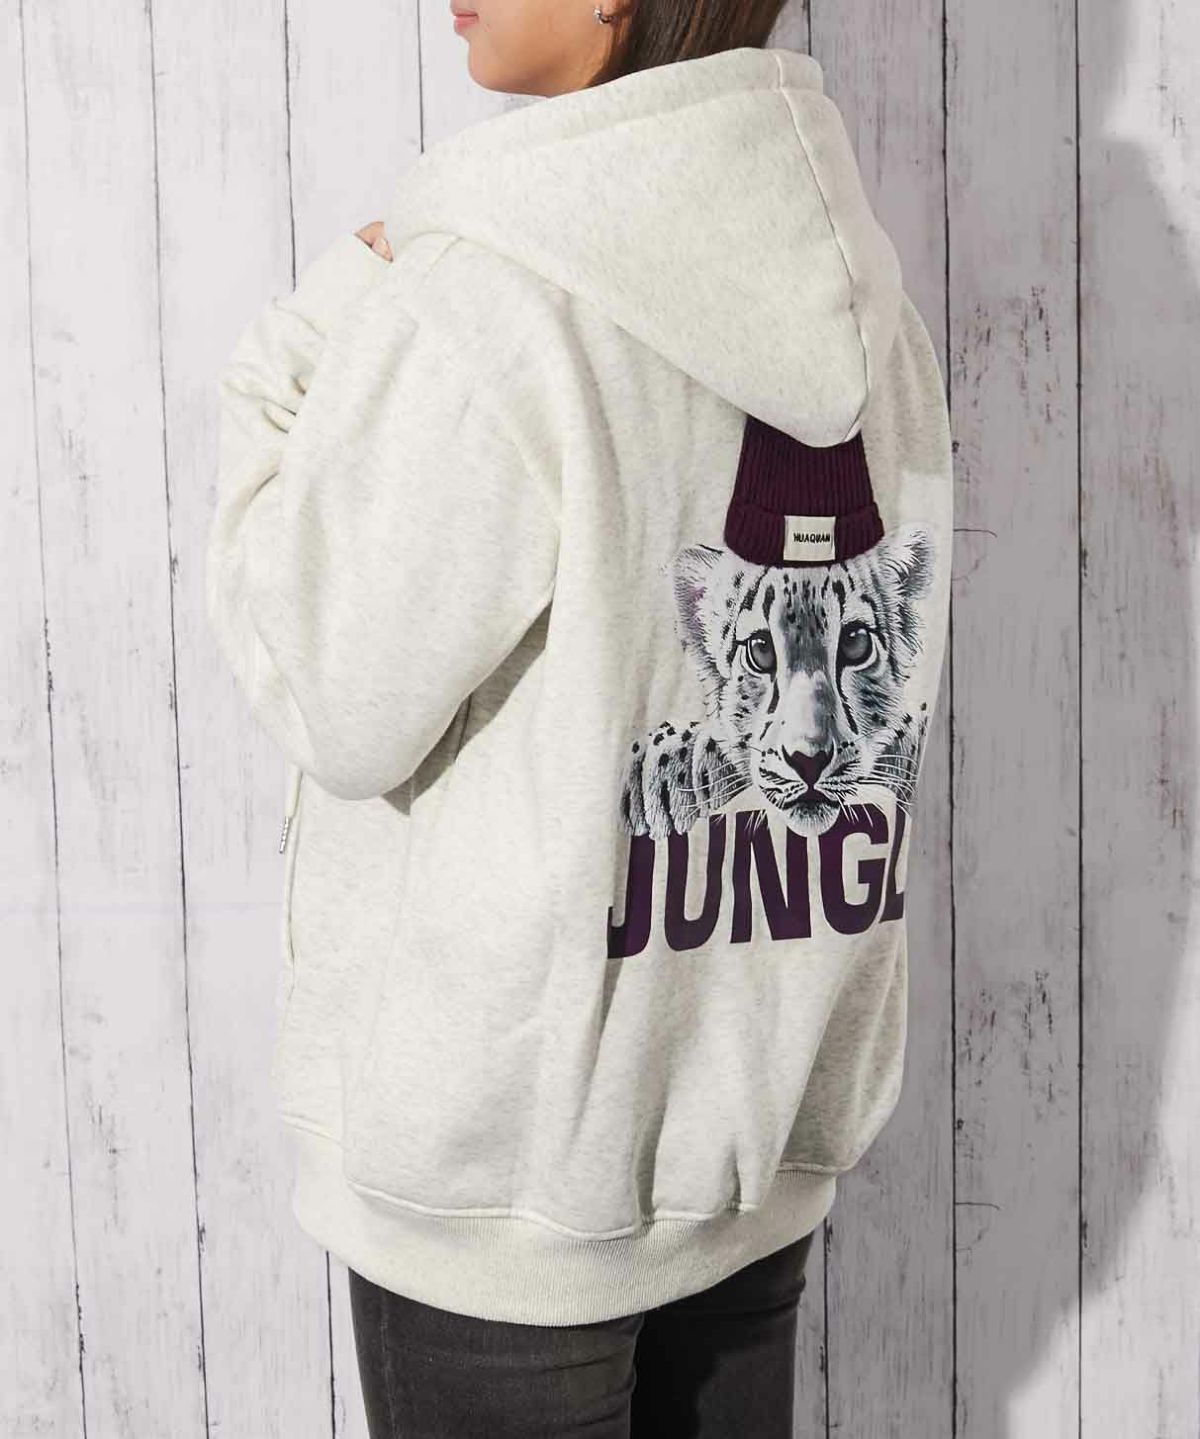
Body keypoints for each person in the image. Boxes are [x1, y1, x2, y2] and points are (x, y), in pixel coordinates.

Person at [204, 0, 953, 1434]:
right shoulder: (868, 308)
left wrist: (294, 352)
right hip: (743, 1151)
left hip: (508, 1205)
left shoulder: (489, 302)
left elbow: (330, 688)